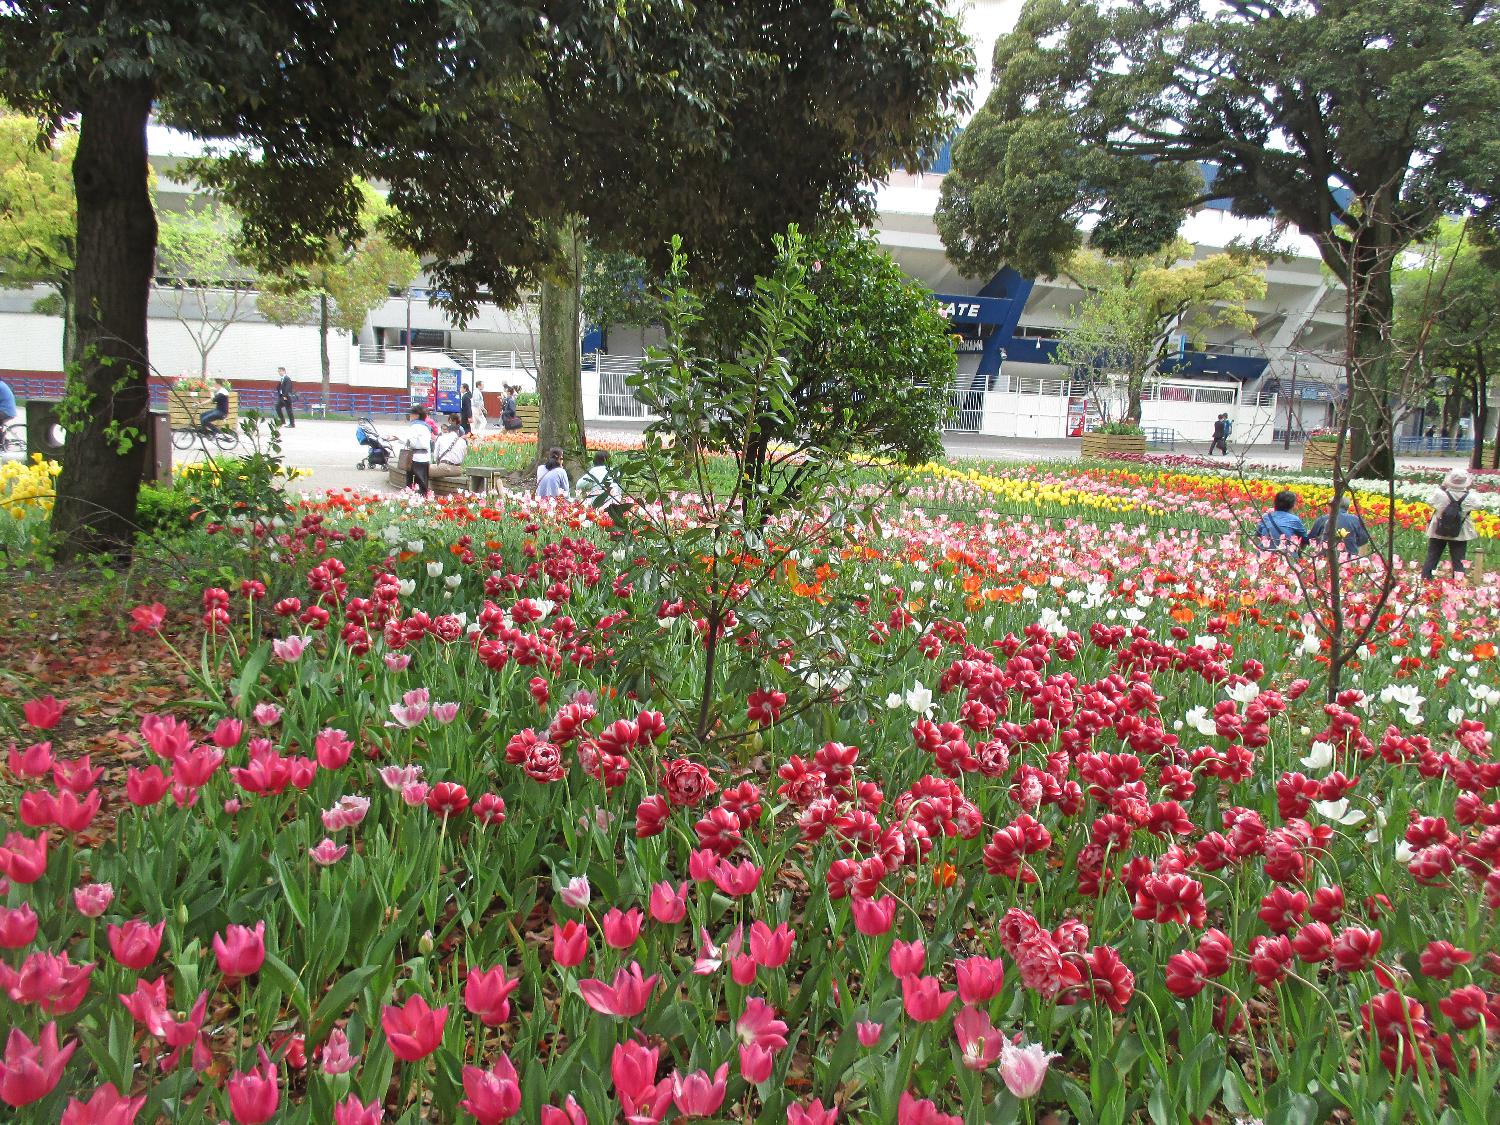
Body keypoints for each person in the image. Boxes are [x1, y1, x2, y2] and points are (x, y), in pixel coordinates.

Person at [1421, 469, 1477, 580]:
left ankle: (1426, 579)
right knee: (1459, 559)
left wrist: (1442, 487)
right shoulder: (1470, 497)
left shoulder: (1440, 494)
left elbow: (1429, 501)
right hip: (1460, 531)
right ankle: (1457, 582)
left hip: (1438, 529)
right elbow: (1479, 505)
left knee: (1433, 556)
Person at [1307, 495, 1371, 559]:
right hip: (1350, 559)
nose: (1326, 507)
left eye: (1328, 505)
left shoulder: (1322, 519)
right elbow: (1364, 540)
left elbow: (1311, 539)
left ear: (1331, 506)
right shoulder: (1355, 519)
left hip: (1325, 559)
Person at [403, 405, 433, 496]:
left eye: (411, 414)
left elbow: (411, 442)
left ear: (416, 415)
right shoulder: (427, 427)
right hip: (425, 457)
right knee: (423, 483)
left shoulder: (414, 426)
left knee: (411, 484)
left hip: (415, 457)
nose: (410, 416)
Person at [429, 414, 468, 482]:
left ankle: (417, 488)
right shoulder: (462, 441)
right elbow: (464, 455)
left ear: (448, 431)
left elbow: (435, 457)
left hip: (445, 467)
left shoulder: (441, 438)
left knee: (423, 469)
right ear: (457, 431)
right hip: (457, 470)